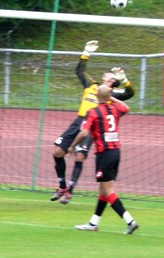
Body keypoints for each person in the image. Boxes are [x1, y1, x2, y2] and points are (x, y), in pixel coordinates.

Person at [51, 40, 135, 205]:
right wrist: (86, 53)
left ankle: (70, 191)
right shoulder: (92, 85)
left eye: (109, 75)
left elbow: (130, 93)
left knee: (80, 156)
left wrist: (124, 79)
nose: (106, 74)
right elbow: (79, 70)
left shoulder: (112, 93)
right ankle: (62, 186)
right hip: (78, 121)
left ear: (112, 81)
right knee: (57, 152)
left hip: (93, 124)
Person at [70, 85, 139, 234]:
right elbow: (126, 107)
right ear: (109, 97)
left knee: (108, 190)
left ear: (96, 97)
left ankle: (130, 221)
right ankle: (93, 223)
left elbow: (84, 133)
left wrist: (73, 145)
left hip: (104, 154)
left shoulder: (93, 112)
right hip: (116, 152)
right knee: (103, 189)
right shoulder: (114, 109)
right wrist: (110, 98)